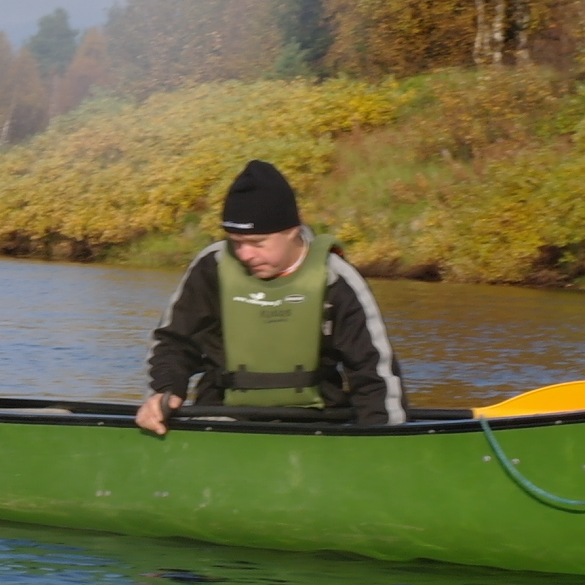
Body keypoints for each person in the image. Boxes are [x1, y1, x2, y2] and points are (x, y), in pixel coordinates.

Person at [136, 158, 404, 435]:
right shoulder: (212, 267)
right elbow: (173, 343)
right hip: (221, 420)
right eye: (236, 242)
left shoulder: (337, 278)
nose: (244, 254)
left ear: (291, 232)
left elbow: (374, 371)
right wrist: (164, 391)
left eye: (257, 243)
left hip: (318, 423)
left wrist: (383, 438)